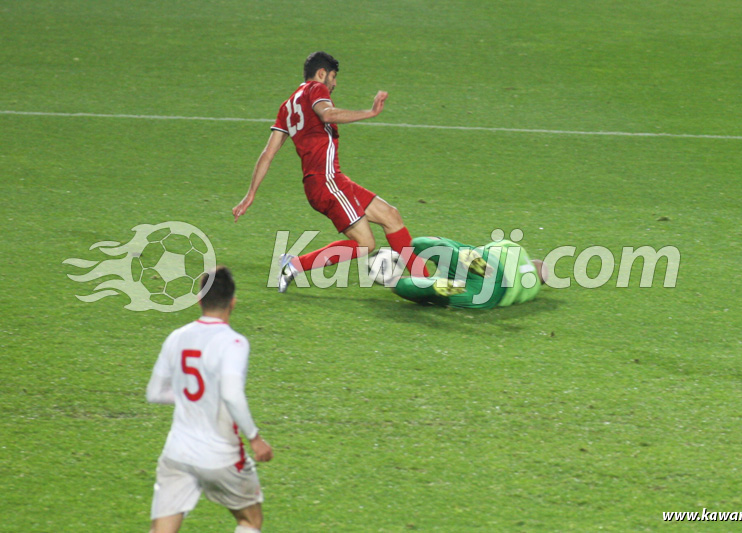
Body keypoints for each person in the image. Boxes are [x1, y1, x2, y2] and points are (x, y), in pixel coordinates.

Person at [232, 50, 429, 292]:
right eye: (333, 77)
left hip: (328, 181)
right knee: (365, 244)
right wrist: (371, 112)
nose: (334, 84)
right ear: (321, 73)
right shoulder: (316, 90)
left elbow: (268, 154)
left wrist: (251, 193)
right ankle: (293, 265)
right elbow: (327, 113)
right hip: (326, 182)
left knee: (391, 215)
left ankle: (425, 280)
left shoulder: (287, 106)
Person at [146, 266, 272, 533]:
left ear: (199, 299)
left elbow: (155, 393)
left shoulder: (176, 337)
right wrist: (255, 438)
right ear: (233, 302)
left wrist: (193, 398)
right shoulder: (233, 343)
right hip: (220, 455)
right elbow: (231, 394)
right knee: (250, 520)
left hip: (176, 453)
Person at [391, 236, 548, 309]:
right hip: (490, 295)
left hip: (491, 264)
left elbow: (487, 247)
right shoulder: (532, 290)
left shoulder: (517, 249)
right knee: (431, 293)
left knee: (423, 244)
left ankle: (462, 258)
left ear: (534, 261)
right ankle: (430, 286)